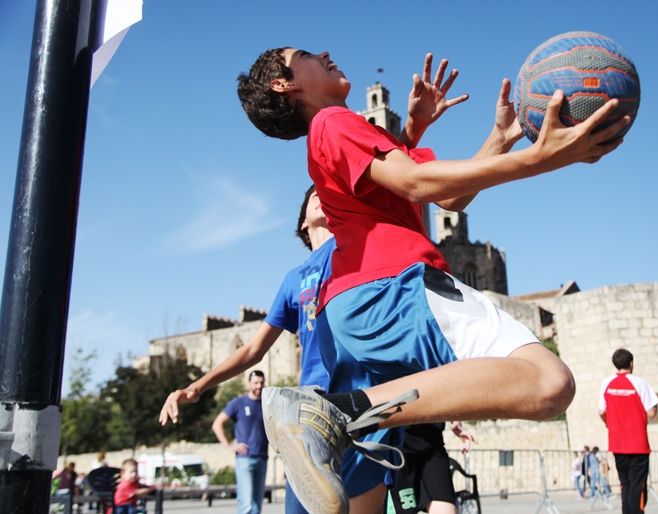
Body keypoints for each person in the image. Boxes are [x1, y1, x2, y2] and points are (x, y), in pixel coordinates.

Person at [236, 47, 629, 514]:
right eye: (304, 54)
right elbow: (423, 183)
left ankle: (336, 415)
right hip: (394, 287)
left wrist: (499, 139)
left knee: (360, 502)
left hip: (362, 309)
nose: (324, 52)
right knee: (548, 380)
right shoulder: (332, 123)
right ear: (285, 84)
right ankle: (332, 412)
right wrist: (543, 158)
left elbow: (451, 198)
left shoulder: (340, 134)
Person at [161, 56, 466, 514]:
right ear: (306, 218)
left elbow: (390, 199)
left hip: (370, 414)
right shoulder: (295, 279)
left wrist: (411, 136)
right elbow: (251, 351)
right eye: (317, 194)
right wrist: (198, 386)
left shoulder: (357, 245)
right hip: (313, 421)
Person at [598, 348, 658, 514]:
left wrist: (609, 424)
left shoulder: (606, 383)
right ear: (631, 363)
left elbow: (602, 412)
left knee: (625, 484)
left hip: (617, 444)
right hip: (637, 444)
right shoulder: (639, 383)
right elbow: (652, 412)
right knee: (638, 486)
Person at [386, 421, 476, 514]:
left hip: (433, 444)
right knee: (406, 510)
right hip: (401, 445)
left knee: (446, 508)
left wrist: (456, 421)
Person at [212, 370, 269, 514]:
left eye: (261, 383)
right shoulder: (238, 403)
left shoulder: (266, 404)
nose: (259, 386)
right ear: (249, 383)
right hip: (245, 459)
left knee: (257, 505)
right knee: (246, 504)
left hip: (262, 457)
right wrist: (230, 446)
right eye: (256, 383)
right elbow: (217, 424)